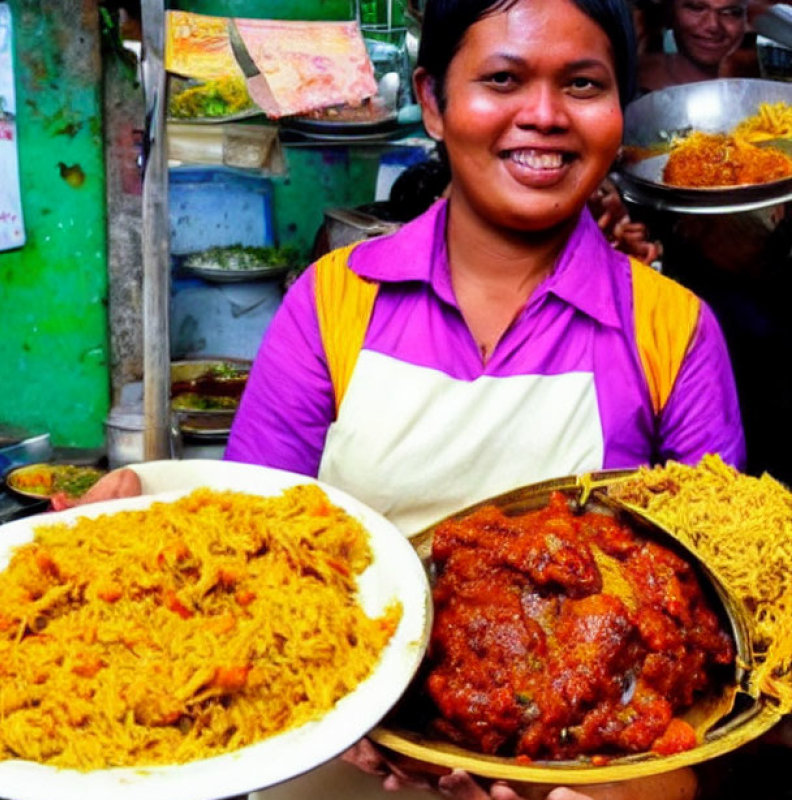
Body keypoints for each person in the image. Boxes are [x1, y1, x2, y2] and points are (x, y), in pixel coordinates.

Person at [80, 0, 745, 797]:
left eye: (583, 84)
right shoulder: (335, 302)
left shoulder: (672, 329)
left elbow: (718, 629)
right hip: (340, 746)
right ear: (432, 102)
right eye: (501, 79)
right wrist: (129, 532)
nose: (542, 115)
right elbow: (247, 540)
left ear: (617, 111)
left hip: (588, 765)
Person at [637, 0, 749, 91]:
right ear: (671, 12)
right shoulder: (634, 77)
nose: (713, 25)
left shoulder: (759, 84)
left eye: (731, 12)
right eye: (696, 8)